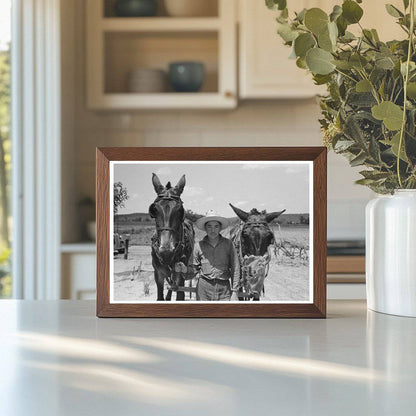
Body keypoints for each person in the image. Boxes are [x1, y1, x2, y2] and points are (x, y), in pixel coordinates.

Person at [176, 210, 240, 301]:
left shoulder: (228, 244)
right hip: (204, 290)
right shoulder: (198, 246)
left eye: (216, 226)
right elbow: (193, 270)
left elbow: (235, 268)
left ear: (220, 228)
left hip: (224, 289)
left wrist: (235, 292)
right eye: (209, 226)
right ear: (205, 228)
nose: (212, 230)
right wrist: (184, 269)